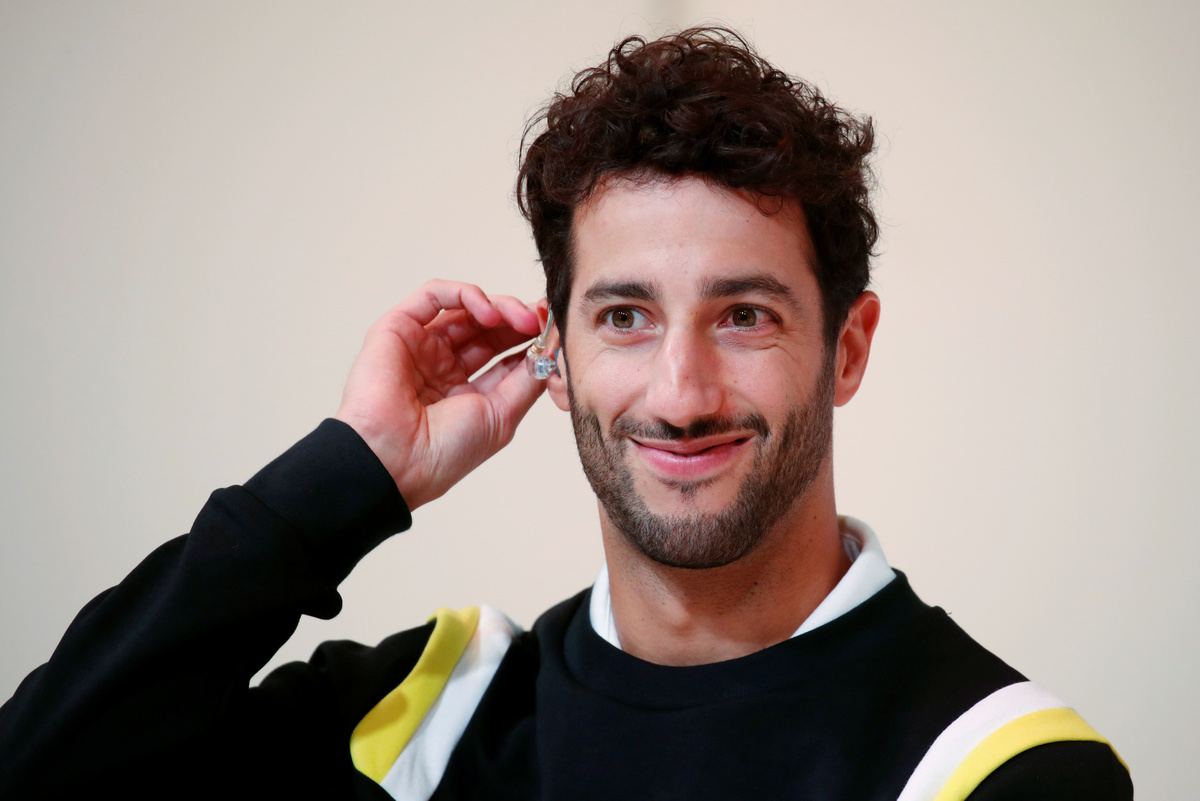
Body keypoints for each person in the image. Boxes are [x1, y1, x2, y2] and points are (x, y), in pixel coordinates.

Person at [0, 28, 1131, 801]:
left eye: (744, 315)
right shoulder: (422, 721)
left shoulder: (1001, 767)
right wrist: (344, 479)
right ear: (555, 352)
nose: (681, 396)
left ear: (848, 348)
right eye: (625, 316)